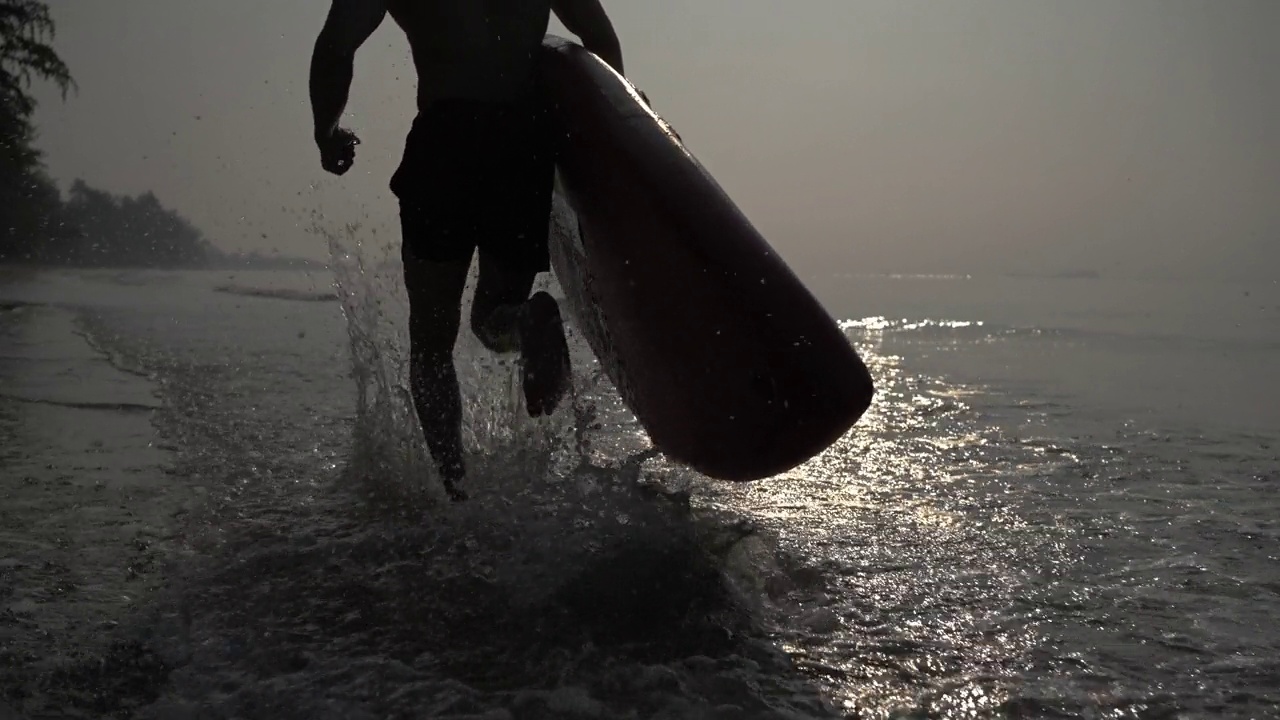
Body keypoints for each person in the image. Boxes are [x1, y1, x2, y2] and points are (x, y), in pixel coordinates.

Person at [308, 0, 625, 502]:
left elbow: (336, 44)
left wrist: (327, 133)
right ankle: (524, 319)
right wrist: (597, 144)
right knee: (492, 316)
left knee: (432, 340)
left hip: (445, 140)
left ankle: (456, 490)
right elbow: (600, 40)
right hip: (522, 144)